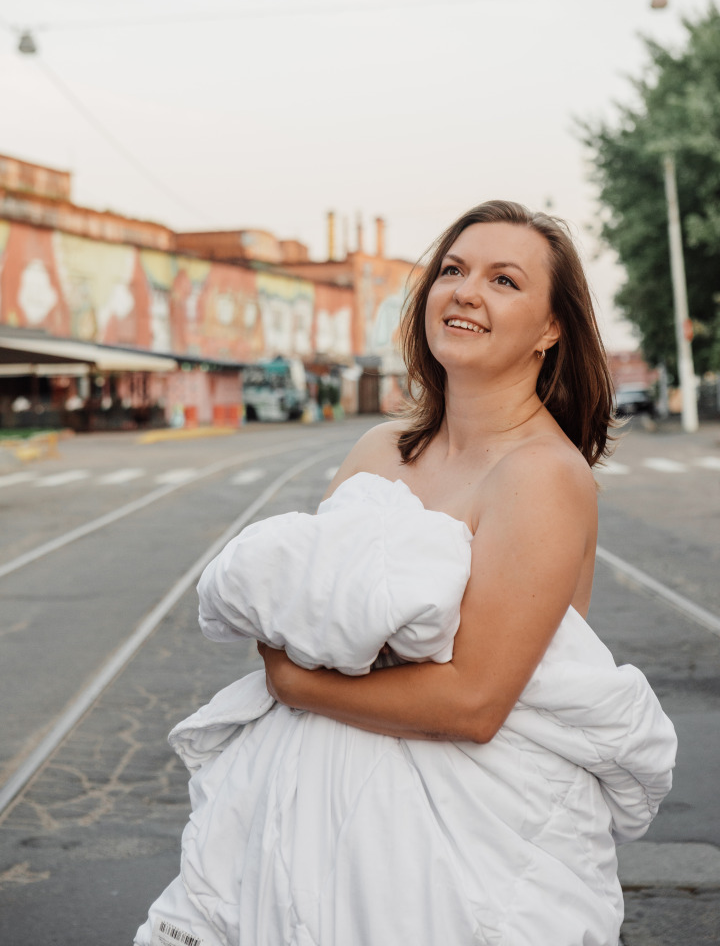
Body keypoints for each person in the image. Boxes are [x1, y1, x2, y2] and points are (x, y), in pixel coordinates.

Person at [135, 200, 676, 946]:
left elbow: (474, 703)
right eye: (452, 270)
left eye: (504, 280)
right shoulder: (378, 450)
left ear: (551, 329)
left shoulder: (543, 476)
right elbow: (308, 606)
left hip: (455, 847)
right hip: (308, 811)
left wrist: (295, 683)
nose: (464, 291)